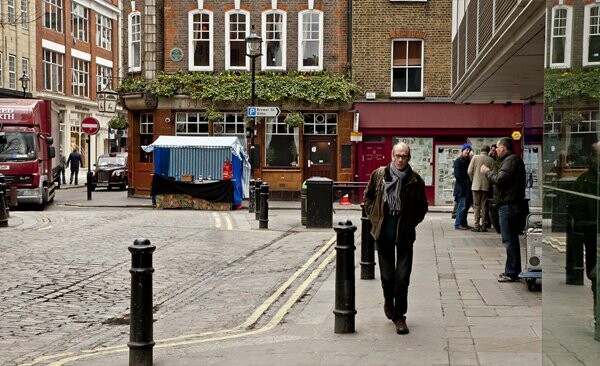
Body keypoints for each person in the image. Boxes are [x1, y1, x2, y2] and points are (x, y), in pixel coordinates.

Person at [363, 142, 428, 335]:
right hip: (383, 234)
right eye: (398, 155)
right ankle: (388, 300)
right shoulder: (379, 175)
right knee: (387, 277)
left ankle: (400, 317)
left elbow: (422, 207)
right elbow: (368, 197)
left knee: (402, 277)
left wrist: (411, 222)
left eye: (404, 156)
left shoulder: (415, 180)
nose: (400, 159)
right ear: (392, 156)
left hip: (405, 236)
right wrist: (374, 216)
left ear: (409, 158)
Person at [480, 137, 526, 282]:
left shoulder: (511, 161)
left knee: (509, 240)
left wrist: (487, 172)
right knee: (510, 239)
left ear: (503, 148)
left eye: (498, 147)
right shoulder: (511, 160)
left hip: (509, 205)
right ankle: (512, 270)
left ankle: (511, 272)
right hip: (509, 204)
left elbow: (500, 180)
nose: (496, 150)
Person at [567, 142, 599, 321]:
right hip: (594, 234)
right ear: (593, 158)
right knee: (596, 275)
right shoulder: (584, 180)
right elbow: (573, 205)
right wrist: (587, 225)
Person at [467, 145, 494, 232]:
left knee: (476, 206)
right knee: (484, 206)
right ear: (488, 151)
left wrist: (473, 179)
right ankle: (484, 225)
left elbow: (469, 171)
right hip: (486, 185)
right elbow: (493, 173)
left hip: (475, 185)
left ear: (481, 150)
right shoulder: (491, 160)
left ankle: (476, 225)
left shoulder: (475, 158)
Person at [453, 143, 472, 230]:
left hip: (468, 188)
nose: (468, 152)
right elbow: (457, 175)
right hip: (461, 188)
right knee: (462, 206)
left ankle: (464, 223)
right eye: (466, 150)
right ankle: (458, 224)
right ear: (462, 150)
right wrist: (464, 184)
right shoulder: (458, 161)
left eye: (469, 150)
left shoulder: (469, 161)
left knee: (466, 206)